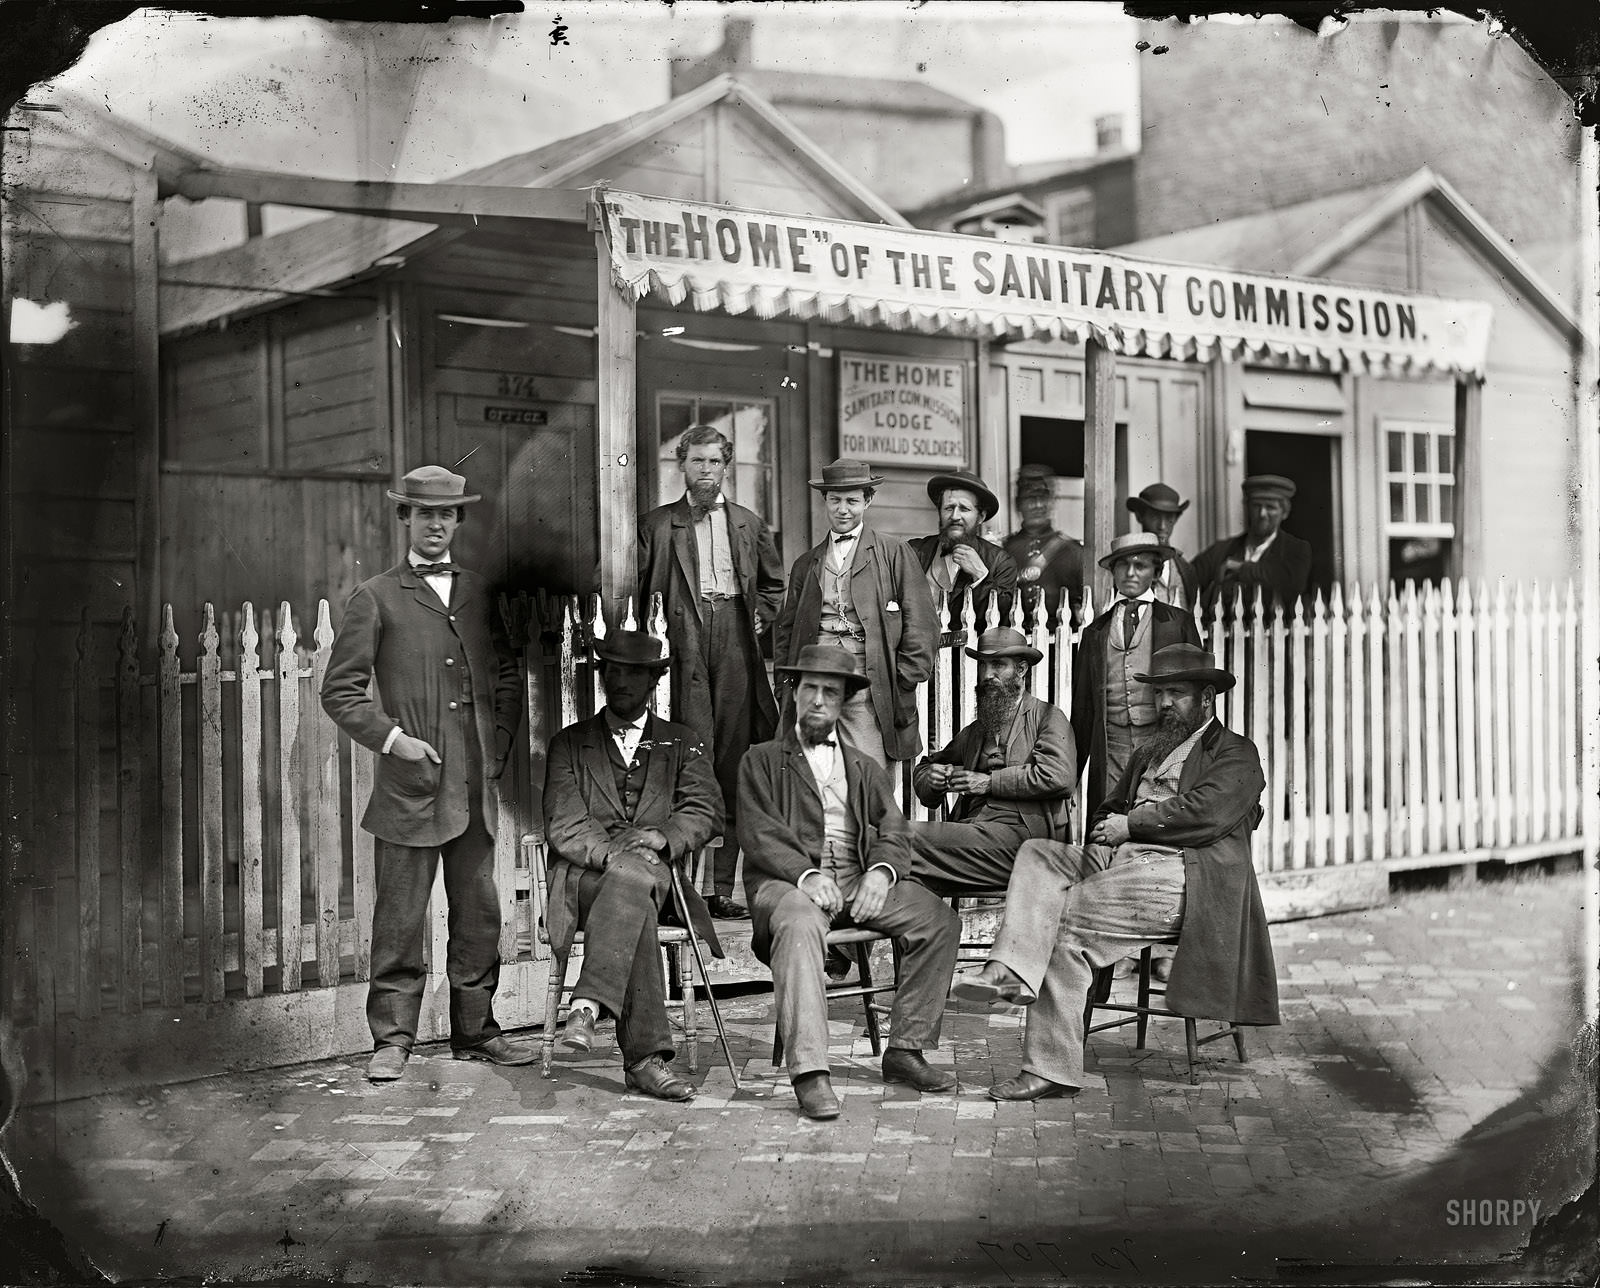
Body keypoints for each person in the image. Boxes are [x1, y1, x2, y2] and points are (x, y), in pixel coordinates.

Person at [951, 644, 1280, 1101]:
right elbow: (1110, 807)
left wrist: (1133, 824)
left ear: (1207, 698)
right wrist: (1109, 828)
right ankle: (1008, 972)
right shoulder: (1150, 751)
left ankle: (1049, 1069)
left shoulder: (1236, 753)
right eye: (1160, 693)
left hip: (1179, 874)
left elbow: (1206, 812)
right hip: (1122, 861)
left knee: (1064, 926)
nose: (1164, 704)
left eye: (1177, 694)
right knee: (1038, 853)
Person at [321, 465, 534, 1082]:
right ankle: (392, 1039)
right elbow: (341, 692)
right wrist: (394, 740)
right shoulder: (377, 597)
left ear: (459, 521)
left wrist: (495, 745)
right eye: (424, 514)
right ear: (405, 519)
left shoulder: (482, 593)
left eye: (447, 514)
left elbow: (505, 677)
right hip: (409, 788)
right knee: (400, 917)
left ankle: (475, 1030)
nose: (436, 524)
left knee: (478, 912)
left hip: (473, 788)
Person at [739, 646, 962, 1119]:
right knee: (800, 927)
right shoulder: (760, 761)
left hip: (856, 881)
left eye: (831, 693)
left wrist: (881, 873)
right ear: (794, 694)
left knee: (937, 919)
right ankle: (811, 1072)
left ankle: (905, 1049)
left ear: (843, 704)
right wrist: (805, 873)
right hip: (788, 885)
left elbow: (895, 828)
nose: (819, 701)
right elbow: (759, 834)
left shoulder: (863, 767)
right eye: (811, 689)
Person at [541, 630, 725, 1101]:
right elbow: (564, 823)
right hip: (585, 878)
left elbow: (705, 809)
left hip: (658, 873)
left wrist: (666, 836)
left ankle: (586, 1005)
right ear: (602, 677)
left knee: (639, 882)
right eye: (614, 671)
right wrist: (613, 855)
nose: (622, 681)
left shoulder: (682, 742)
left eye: (634, 673)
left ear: (653, 681)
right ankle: (645, 1062)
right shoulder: (569, 743)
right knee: (633, 885)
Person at [638, 424, 785, 921]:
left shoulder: (747, 523)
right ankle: (677, 888)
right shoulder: (657, 525)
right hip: (683, 642)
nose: (706, 470)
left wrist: (764, 610)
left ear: (726, 467)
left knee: (735, 761)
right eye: (697, 461)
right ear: (682, 465)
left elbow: (773, 586)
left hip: (736, 641)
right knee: (686, 756)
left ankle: (721, 887)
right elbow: (631, 590)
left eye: (715, 462)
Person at [774, 458, 938, 771]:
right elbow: (787, 632)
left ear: (868, 500)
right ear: (825, 501)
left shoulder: (893, 553)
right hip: (815, 679)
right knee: (813, 768)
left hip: (868, 680)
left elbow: (922, 625)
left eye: (852, 501)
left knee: (868, 771)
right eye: (835, 500)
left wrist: (901, 680)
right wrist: (790, 684)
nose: (843, 509)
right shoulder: (807, 564)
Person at [903, 627, 1076, 894]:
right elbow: (927, 767)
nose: (987, 675)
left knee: (898, 838)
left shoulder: (1047, 717)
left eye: (997, 665)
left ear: (1021, 669)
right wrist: (933, 778)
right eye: (982, 665)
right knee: (906, 880)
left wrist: (988, 783)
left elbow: (1058, 777)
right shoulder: (976, 731)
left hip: (1027, 842)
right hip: (973, 837)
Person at [1071, 532, 1202, 812]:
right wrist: (1072, 773)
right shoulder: (1096, 631)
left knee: (1155, 814)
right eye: (1123, 565)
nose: (1130, 573)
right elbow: (1082, 707)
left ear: (1155, 572)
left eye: (1140, 565)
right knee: (1108, 819)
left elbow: (1198, 692)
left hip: (1161, 740)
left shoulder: (1177, 623)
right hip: (1111, 746)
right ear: (1113, 571)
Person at [907, 469, 1019, 629]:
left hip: (970, 653)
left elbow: (1003, 622)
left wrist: (981, 576)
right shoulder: (914, 552)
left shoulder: (1001, 562)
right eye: (948, 508)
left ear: (980, 517)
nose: (954, 516)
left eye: (964, 509)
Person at [1192, 474, 1312, 615]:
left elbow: (1290, 582)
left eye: (1270, 507)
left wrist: (1240, 568)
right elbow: (1189, 578)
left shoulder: (1296, 549)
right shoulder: (1222, 550)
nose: (1262, 513)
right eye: (1256, 506)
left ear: (1284, 512)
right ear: (1247, 508)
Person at [1002, 464, 1084, 627]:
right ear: (1018, 503)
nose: (1038, 505)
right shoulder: (1004, 550)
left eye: (1043, 498)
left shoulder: (1074, 552)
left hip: (1061, 647)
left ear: (1052, 501)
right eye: (1030, 498)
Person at [1126, 482, 1199, 610]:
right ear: (1139, 517)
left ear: (1175, 519)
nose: (1162, 526)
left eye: (1169, 518)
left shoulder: (1186, 570)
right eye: (1155, 517)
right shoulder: (1126, 567)